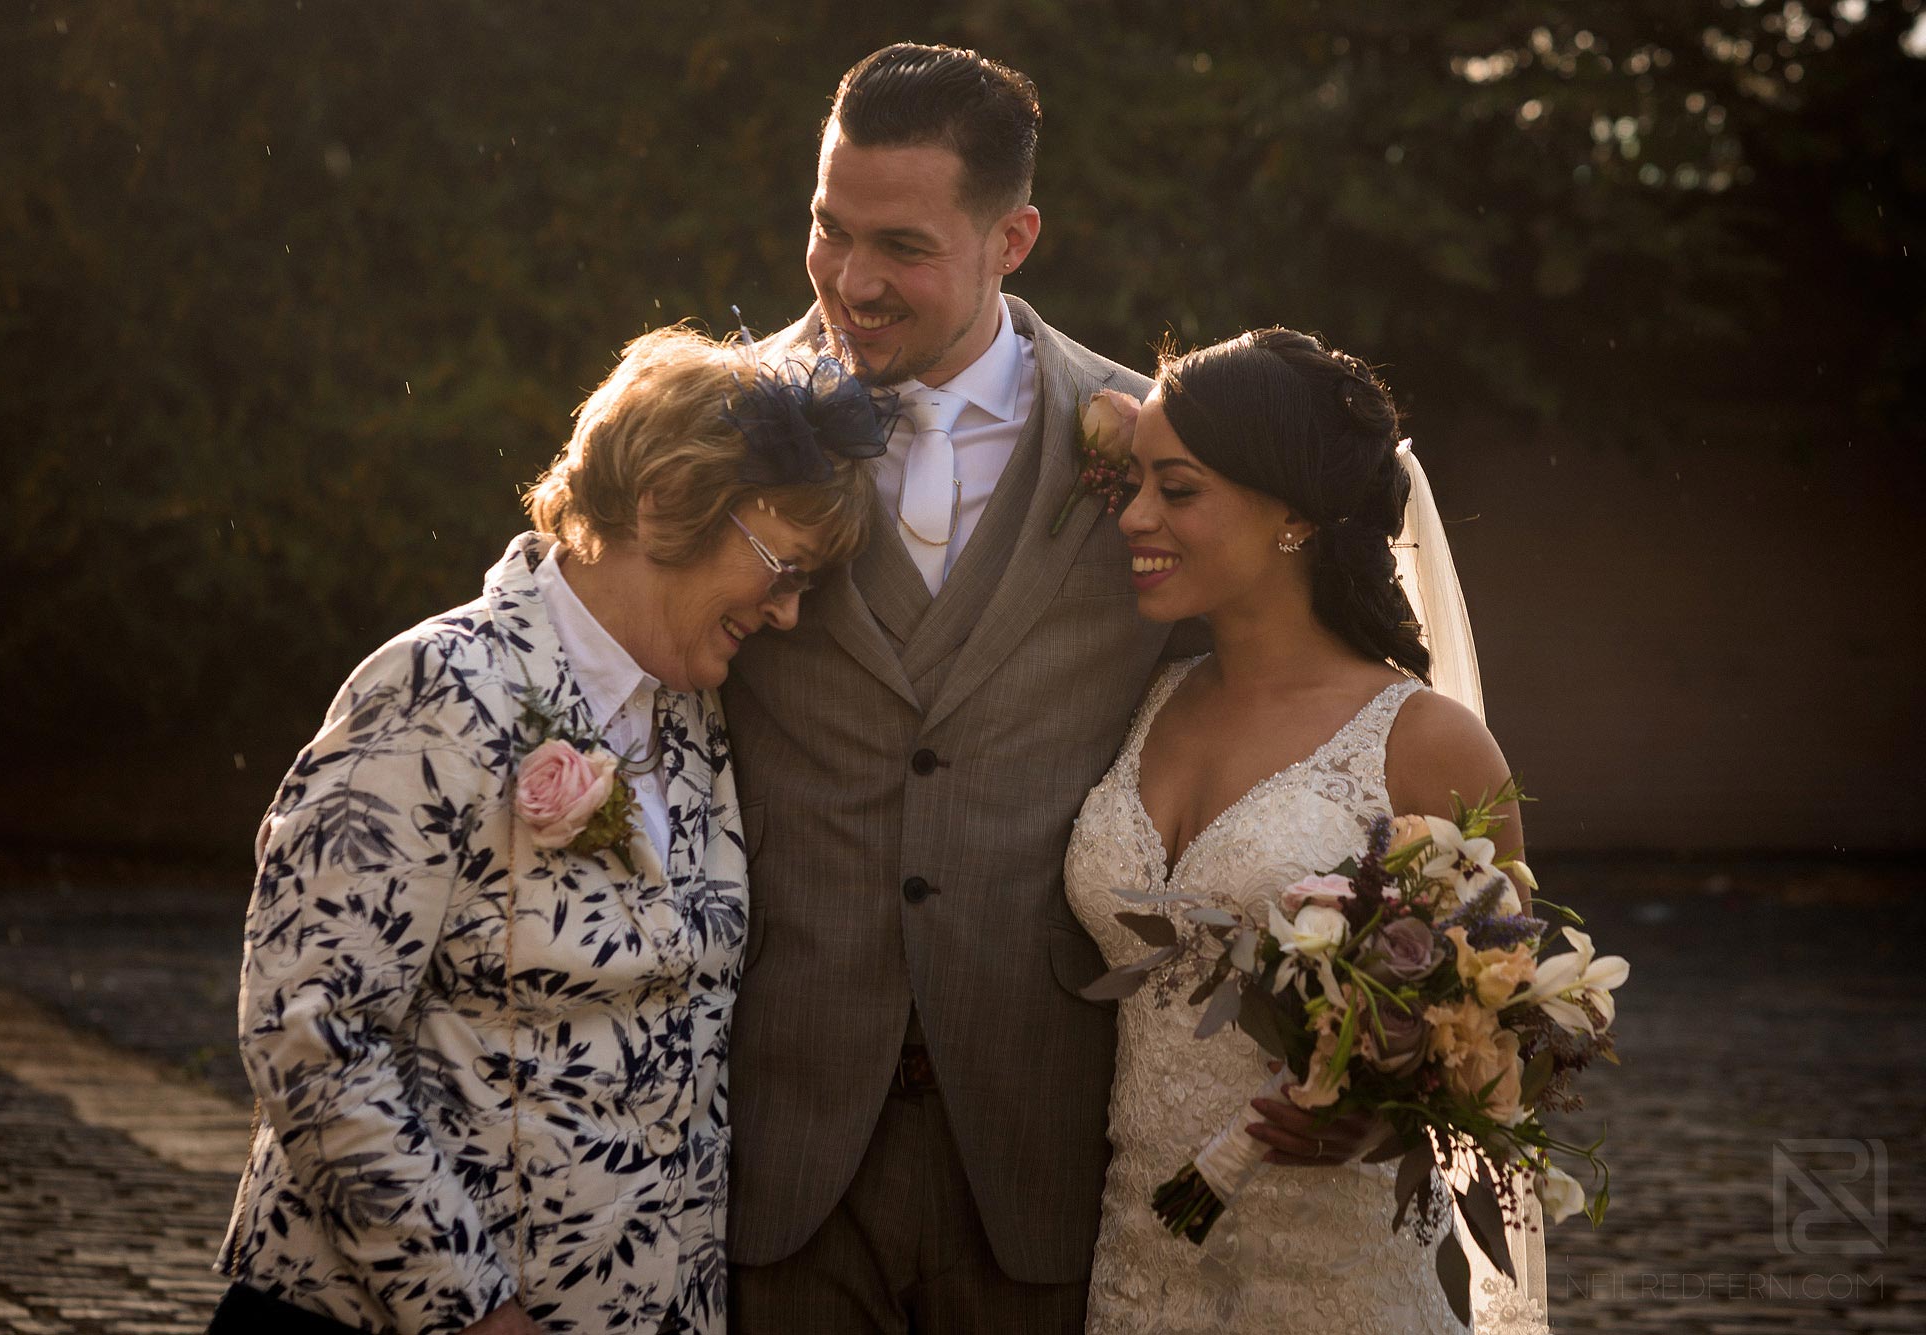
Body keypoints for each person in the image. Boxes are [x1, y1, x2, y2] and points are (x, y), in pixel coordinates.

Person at [208, 327, 884, 1335]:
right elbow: (311, 1030)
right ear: (664, 504)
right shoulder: (437, 688)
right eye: (781, 568)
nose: (789, 614)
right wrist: (469, 1310)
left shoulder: (696, 721)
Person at [721, 43, 1197, 1334]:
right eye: (827, 228)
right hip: (782, 1130)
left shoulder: (1153, 447)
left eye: (902, 246)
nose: (850, 281)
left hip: (1042, 1132)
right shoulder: (713, 424)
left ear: (1015, 237)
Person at [1064, 327, 1547, 1333]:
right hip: (1133, 1277)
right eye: (1134, 483)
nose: (1134, 517)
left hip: (1333, 1285)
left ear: (1290, 515)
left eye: (1177, 489)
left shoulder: (1424, 743)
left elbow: (1519, 1042)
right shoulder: (1143, 704)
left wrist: (1382, 1119)